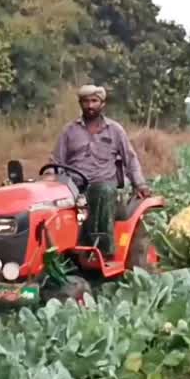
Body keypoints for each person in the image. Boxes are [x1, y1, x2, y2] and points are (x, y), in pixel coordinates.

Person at [51, 84, 152, 255]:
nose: (90, 105)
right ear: (80, 104)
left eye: (94, 101)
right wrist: (49, 179)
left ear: (102, 104)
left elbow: (130, 159)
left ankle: (102, 249)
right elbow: (55, 161)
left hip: (105, 186)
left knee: (102, 190)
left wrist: (140, 184)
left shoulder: (115, 130)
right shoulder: (69, 131)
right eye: (85, 101)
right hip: (74, 187)